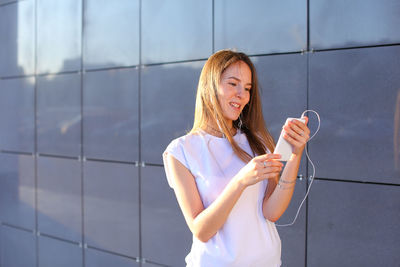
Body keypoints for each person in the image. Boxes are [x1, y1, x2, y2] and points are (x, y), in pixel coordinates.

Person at [163, 49, 310, 267]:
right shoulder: (181, 151)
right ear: (210, 85)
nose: (242, 95)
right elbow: (201, 230)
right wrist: (240, 181)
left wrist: (295, 154)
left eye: (248, 88)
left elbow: (272, 212)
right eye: (233, 84)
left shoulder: (258, 141)